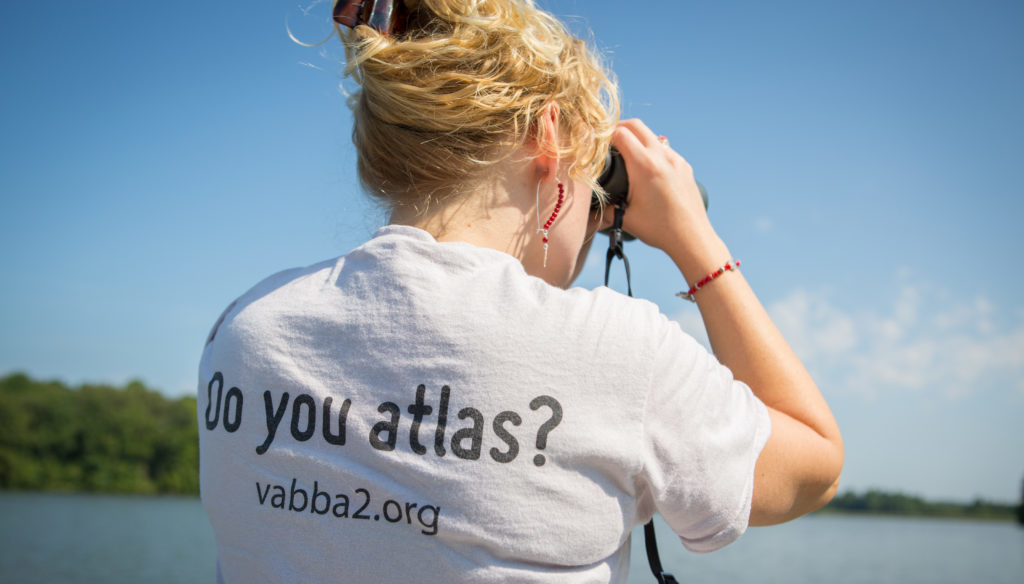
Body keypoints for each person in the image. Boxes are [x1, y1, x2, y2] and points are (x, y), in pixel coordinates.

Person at [197, 1, 843, 582]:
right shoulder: (615, 354)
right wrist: (694, 239)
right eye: (593, 191)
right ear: (547, 137)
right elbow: (815, 463)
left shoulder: (243, 331)